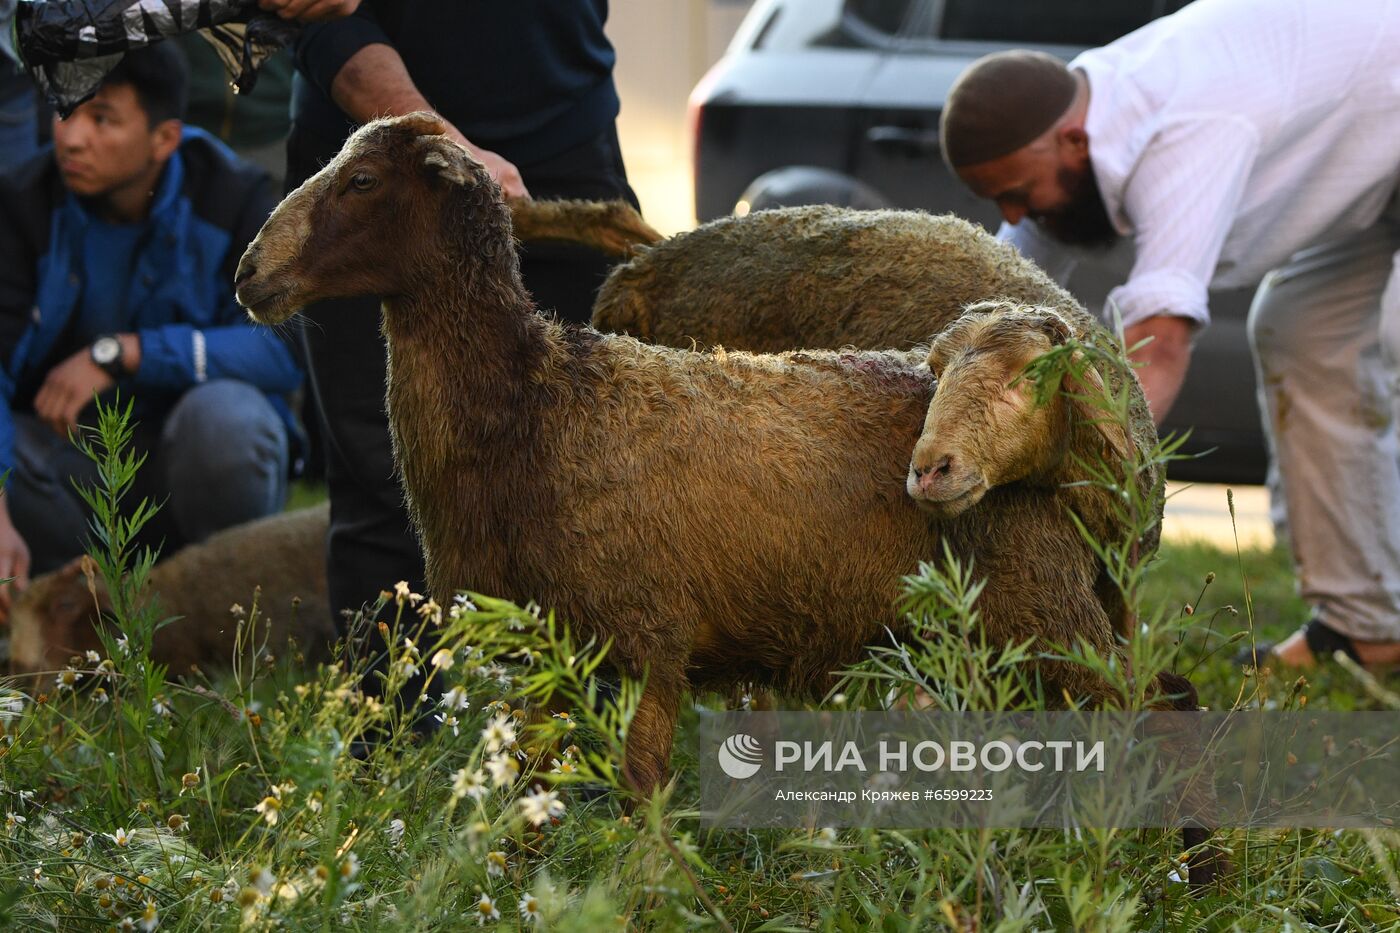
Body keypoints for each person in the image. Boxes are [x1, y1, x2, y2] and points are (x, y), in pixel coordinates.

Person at [936, 0, 1400, 670]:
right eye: (997, 202)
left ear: (1072, 141)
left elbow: (1159, 340)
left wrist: (1077, 474)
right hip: (1378, 151)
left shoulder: (1187, 125)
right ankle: (1366, 627)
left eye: (1018, 192)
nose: (1015, 213)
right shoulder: (1079, 116)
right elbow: (996, 292)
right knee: (1303, 330)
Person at [272, 0, 639, 672]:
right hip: (366, 163)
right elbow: (314, 18)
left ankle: (580, 744)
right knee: (388, 472)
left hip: (560, 141)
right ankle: (389, 748)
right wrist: (441, 143)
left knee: (585, 462)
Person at [0, 44, 303, 621]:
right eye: (65, 110)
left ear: (164, 139)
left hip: (185, 462)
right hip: (73, 471)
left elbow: (285, 353)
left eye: (102, 118)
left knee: (229, 421)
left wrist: (130, 353)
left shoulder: (233, 197)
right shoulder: (22, 201)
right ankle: (91, 605)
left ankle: (223, 609)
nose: (70, 137)